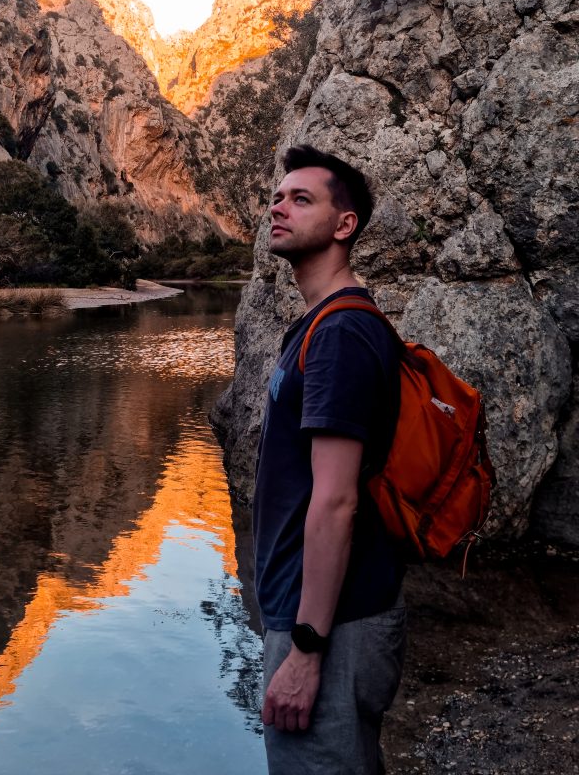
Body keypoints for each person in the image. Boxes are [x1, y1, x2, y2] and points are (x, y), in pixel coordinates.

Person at [253, 144, 406, 774]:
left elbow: (337, 499)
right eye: (277, 197)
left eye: (301, 198)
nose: (278, 207)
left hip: (330, 624)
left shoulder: (342, 333)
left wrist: (307, 649)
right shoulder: (320, 325)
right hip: (323, 613)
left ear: (345, 226)